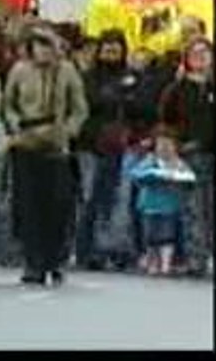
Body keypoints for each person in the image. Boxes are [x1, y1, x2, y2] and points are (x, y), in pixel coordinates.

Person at [3, 26, 88, 286]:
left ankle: (55, 260)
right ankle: (33, 262)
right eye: (39, 46)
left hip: (56, 145)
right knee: (28, 206)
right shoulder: (20, 71)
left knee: (58, 206)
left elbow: (79, 108)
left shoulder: (67, 71)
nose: (44, 52)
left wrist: (68, 132)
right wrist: (15, 124)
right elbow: (9, 104)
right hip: (27, 142)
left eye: (49, 46)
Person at [75, 30, 139, 271]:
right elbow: (88, 104)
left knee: (118, 198)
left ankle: (115, 248)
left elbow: (141, 106)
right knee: (90, 195)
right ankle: (86, 249)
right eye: (107, 49)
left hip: (122, 144)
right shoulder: (88, 77)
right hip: (90, 145)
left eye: (116, 49)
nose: (111, 53)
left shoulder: (132, 76)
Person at [158, 37, 214, 277]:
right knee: (194, 209)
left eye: (205, 52)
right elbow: (165, 121)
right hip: (191, 154)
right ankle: (196, 258)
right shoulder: (177, 89)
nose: (200, 57)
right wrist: (173, 144)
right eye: (195, 53)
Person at [127, 129, 196, 276]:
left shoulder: (178, 163)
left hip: (169, 208)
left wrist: (176, 176)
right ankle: (152, 263)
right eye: (161, 145)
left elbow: (190, 177)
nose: (165, 148)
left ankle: (165, 264)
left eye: (168, 145)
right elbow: (135, 173)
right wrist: (155, 173)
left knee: (167, 237)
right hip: (148, 207)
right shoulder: (150, 161)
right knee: (150, 238)